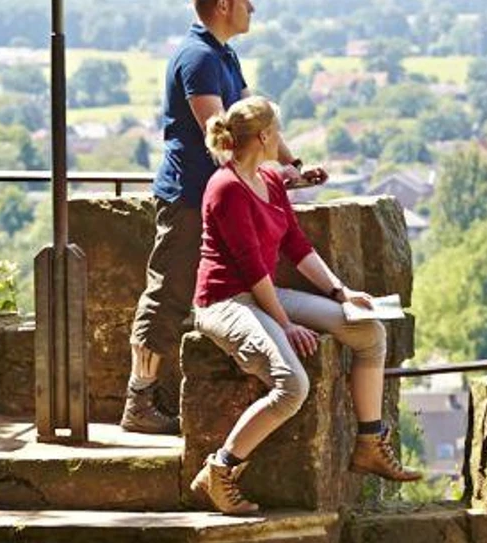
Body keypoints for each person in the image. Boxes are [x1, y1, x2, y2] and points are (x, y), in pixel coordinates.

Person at [187, 96, 420, 515]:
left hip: (263, 293)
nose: (282, 138)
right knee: (292, 385)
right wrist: (285, 324)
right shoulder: (225, 188)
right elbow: (251, 268)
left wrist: (341, 292)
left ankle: (370, 443)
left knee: (369, 333)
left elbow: (296, 244)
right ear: (264, 136)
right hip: (225, 301)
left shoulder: (270, 180)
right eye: (278, 130)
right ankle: (219, 470)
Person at [123, 0, 326, 434]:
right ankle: (139, 400)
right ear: (222, 5)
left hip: (210, 196)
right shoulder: (198, 58)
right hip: (189, 198)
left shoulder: (221, 54)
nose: (252, 7)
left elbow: (255, 120)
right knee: (167, 294)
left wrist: (292, 165)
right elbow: (222, 138)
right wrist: (267, 177)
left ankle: (148, 398)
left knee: (177, 294)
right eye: (245, 1)